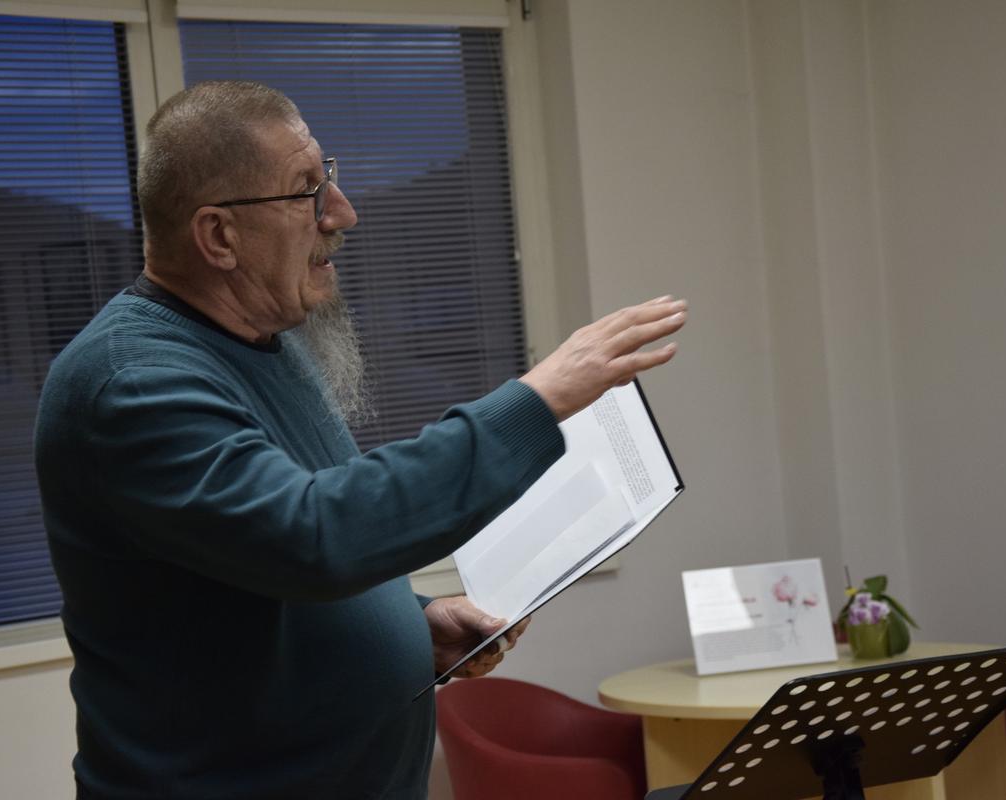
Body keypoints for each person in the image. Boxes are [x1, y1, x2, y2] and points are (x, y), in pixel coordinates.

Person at [34, 80, 686, 800]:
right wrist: (535, 402)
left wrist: (409, 622)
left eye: (329, 178)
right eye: (305, 192)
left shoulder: (266, 342)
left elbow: (256, 558)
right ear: (218, 236)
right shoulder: (130, 384)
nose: (342, 213)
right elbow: (314, 536)